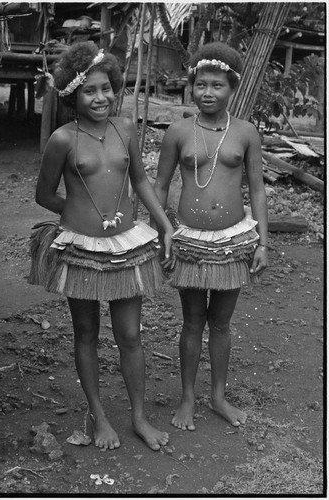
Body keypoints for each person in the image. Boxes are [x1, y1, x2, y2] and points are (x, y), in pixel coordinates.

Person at [29, 41, 174, 451]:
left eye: (106, 87)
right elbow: (44, 195)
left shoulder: (125, 128)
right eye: (89, 90)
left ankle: (140, 418)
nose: (100, 97)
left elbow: (141, 182)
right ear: (73, 96)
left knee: (130, 334)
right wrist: (77, 213)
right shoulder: (62, 140)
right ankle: (97, 416)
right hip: (81, 251)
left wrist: (163, 225)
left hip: (126, 247)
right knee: (86, 332)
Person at [152, 42, 268, 431]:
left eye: (217, 85)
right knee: (191, 321)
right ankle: (187, 397)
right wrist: (162, 233)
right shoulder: (179, 131)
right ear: (191, 86)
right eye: (201, 84)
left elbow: (257, 190)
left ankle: (217, 397)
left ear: (231, 87)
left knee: (221, 322)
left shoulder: (246, 132)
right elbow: (161, 184)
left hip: (234, 241)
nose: (207, 93)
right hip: (189, 239)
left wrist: (263, 242)